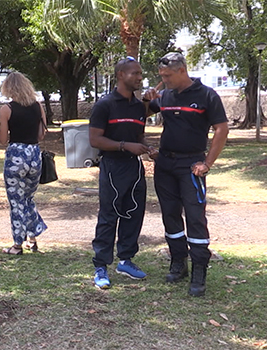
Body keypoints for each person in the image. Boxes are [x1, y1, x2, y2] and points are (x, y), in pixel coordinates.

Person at [143, 52, 229, 297]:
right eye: (161, 75)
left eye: (167, 75)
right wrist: (147, 99)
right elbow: (145, 113)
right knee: (170, 216)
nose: (164, 79)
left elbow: (221, 128)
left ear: (182, 70)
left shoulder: (206, 95)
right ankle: (178, 261)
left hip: (191, 165)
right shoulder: (166, 95)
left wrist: (207, 163)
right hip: (165, 164)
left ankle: (199, 270)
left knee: (195, 217)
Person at [89, 57, 155, 289]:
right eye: (135, 73)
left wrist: (148, 148)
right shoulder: (104, 105)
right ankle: (101, 267)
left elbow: (139, 137)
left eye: (140, 73)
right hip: (112, 167)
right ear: (120, 75)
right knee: (109, 216)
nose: (139, 77)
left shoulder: (138, 107)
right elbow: (95, 139)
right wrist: (124, 146)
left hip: (134, 168)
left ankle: (126, 260)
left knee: (133, 214)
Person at [0, 71, 47, 255]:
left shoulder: (6, 109)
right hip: (34, 154)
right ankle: (32, 239)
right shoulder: (37, 106)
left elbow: (3, 140)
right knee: (28, 198)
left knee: (16, 201)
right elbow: (41, 135)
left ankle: (17, 244)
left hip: (15, 156)